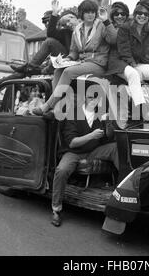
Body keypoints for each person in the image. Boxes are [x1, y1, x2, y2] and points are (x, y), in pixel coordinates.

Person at [33, 0, 117, 116]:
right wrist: (67, 59)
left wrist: (107, 21)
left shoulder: (101, 25)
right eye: (87, 12)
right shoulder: (77, 30)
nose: (91, 14)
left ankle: (47, 106)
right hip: (82, 63)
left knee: (68, 72)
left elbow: (113, 40)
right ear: (81, 13)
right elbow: (74, 52)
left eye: (93, 12)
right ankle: (56, 108)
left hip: (98, 63)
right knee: (58, 71)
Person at [51, 88, 119, 227]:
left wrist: (110, 123)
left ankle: (121, 188)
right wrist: (92, 135)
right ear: (85, 98)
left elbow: (108, 137)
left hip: (93, 150)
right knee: (62, 170)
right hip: (74, 152)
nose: (94, 100)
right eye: (91, 97)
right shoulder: (73, 114)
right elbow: (72, 142)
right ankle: (56, 209)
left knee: (116, 148)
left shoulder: (100, 114)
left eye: (97, 97)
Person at [0, 4, 78, 93]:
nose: (68, 24)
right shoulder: (65, 32)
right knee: (21, 73)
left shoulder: (81, 31)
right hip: (55, 64)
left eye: (70, 21)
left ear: (77, 19)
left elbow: (72, 52)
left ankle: (28, 67)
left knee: (49, 43)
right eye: (65, 23)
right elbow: (51, 34)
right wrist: (55, 14)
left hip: (69, 63)